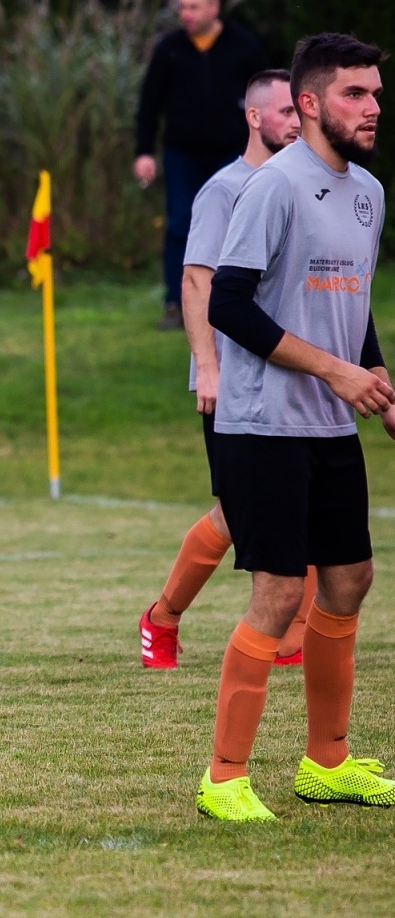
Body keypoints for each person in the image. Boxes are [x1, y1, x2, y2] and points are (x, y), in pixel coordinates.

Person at [197, 33, 395, 822]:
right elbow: (229, 304)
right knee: (279, 593)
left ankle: (328, 761)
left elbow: (351, 305)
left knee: (349, 581)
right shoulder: (274, 187)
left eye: (376, 93)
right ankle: (223, 778)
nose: (373, 107)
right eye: (355, 93)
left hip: (330, 428)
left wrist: (375, 382)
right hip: (262, 426)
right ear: (309, 103)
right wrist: (334, 371)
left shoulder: (370, 193)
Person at [139, 69, 311, 669]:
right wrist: (206, 367)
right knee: (238, 512)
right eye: (284, 111)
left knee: (304, 502)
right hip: (234, 379)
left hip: (296, 378)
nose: (295, 120)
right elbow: (196, 280)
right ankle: (161, 618)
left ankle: (294, 641)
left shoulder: (308, 185)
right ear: (254, 117)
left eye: (300, 111)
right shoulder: (225, 189)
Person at [134, 0, 269, 331]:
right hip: (183, 155)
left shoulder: (243, 46)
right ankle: (176, 305)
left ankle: (235, 301)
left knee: (238, 227)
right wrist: (144, 151)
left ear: (214, 7)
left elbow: (267, 100)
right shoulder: (170, 49)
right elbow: (149, 103)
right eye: (181, 7)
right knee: (180, 225)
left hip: (233, 155)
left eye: (193, 7)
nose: (185, 14)